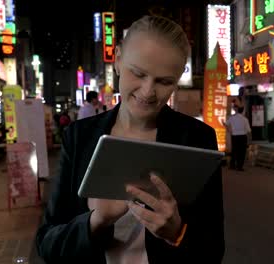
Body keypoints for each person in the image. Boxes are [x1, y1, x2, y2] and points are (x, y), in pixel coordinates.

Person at [35, 16, 224, 263]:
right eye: (138, 73)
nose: (148, 91)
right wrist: (96, 221)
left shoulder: (197, 138)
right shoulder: (79, 137)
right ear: (117, 59)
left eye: (164, 81)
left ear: (177, 80)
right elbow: (47, 243)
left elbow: (213, 250)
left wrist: (177, 233)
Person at [225, 105, 251, 171]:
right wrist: (249, 140)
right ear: (243, 111)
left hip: (234, 136)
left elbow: (226, 124)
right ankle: (239, 167)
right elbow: (248, 130)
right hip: (243, 137)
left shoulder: (232, 118)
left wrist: (229, 130)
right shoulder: (245, 119)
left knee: (234, 151)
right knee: (242, 152)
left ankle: (232, 165)